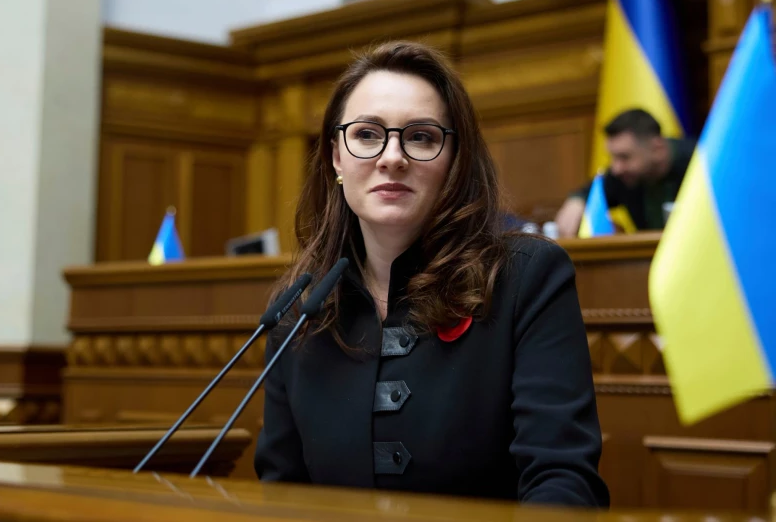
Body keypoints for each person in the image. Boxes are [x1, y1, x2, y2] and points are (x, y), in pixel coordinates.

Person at [254, 41, 610, 508]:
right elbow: (281, 494)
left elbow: (563, 481)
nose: (392, 157)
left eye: (421, 137)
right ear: (336, 156)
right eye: (367, 134)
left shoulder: (526, 277)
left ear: (454, 159)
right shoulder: (299, 308)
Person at [555, 109, 696, 237]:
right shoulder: (623, 176)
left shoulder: (699, 164)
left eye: (624, 157)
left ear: (657, 149)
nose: (616, 169)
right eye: (613, 157)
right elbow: (590, 193)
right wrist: (577, 201)